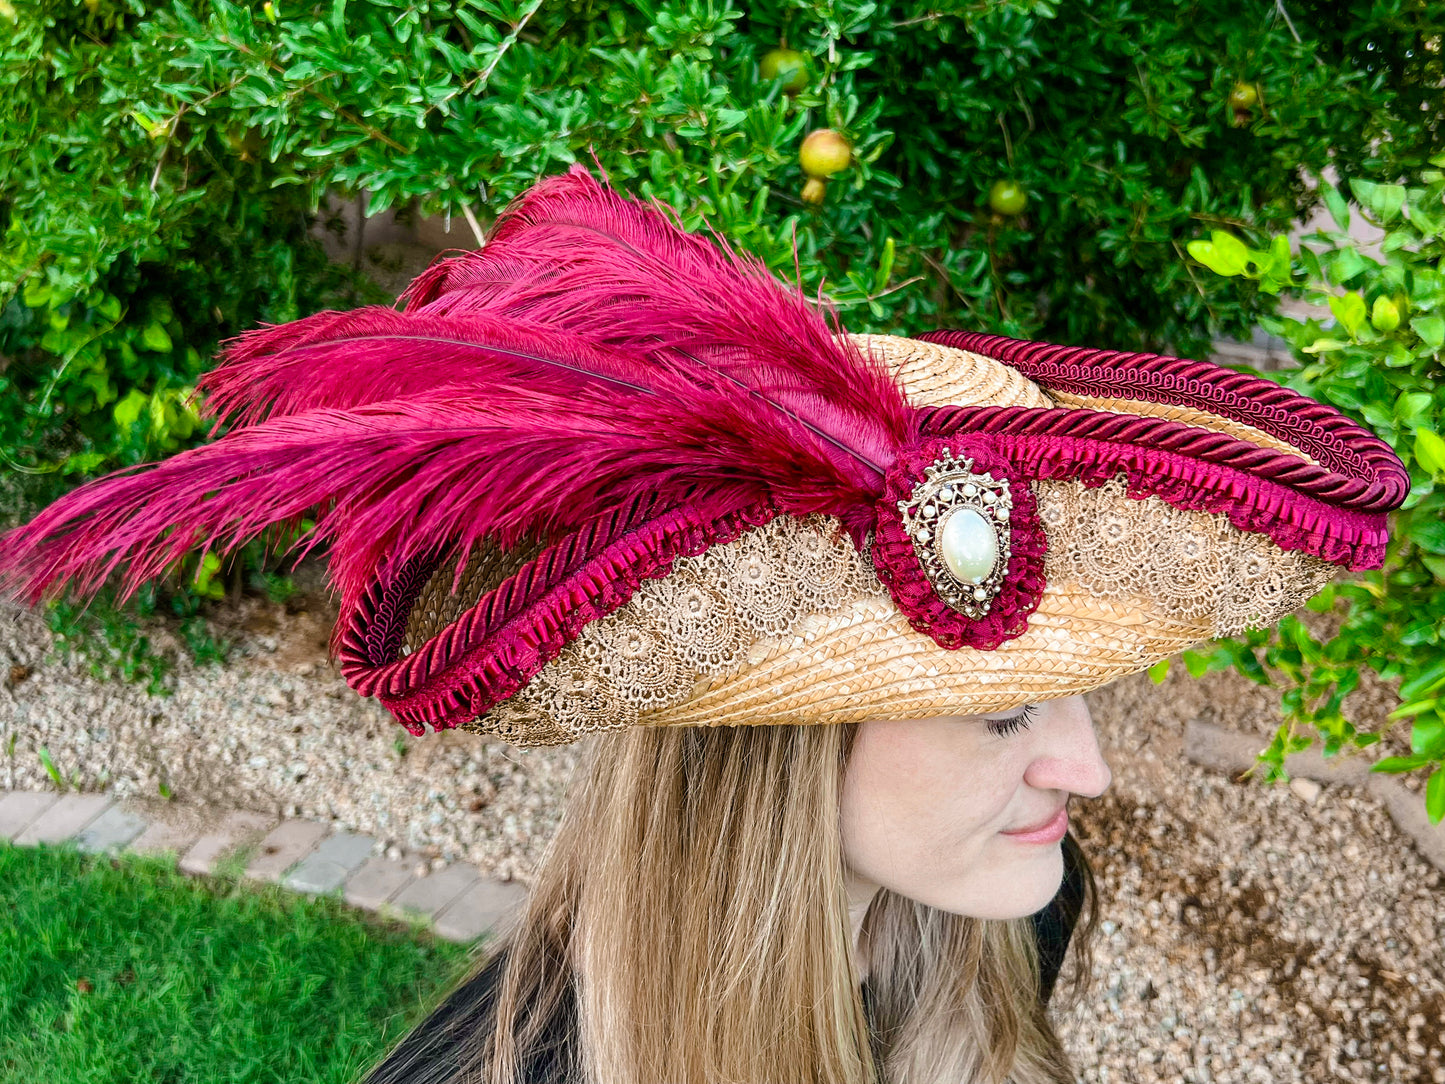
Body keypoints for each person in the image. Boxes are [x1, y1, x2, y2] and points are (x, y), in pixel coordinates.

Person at [0, 167, 1408, 1084]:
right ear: (773, 748)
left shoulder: (1006, 917)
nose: (1085, 772)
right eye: (1001, 711)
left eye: (1069, 695)